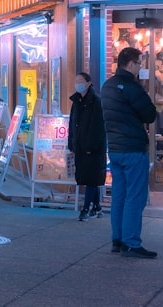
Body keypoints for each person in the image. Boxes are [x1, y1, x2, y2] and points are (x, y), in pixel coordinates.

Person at [102, 47, 158, 259]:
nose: (140, 67)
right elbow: (150, 114)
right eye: (140, 63)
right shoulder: (132, 87)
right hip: (133, 149)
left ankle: (117, 239)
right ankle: (132, 242)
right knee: (135, 197)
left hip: (115, 148)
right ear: (132, 63)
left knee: (119, 196)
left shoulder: (107, 86)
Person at [69, 72, 106, 221]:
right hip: (80, 146)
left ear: (89, 83)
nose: (78, 84)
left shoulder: (96, 102)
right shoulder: (76, 101)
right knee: (89, 178)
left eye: (81, 81)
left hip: (93, 147)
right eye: (76, 81)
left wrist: (92, 145)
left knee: (91, 178)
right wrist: (71, 143)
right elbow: (72, 125)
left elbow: (98, 127)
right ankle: (97, 207)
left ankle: (85, 209)